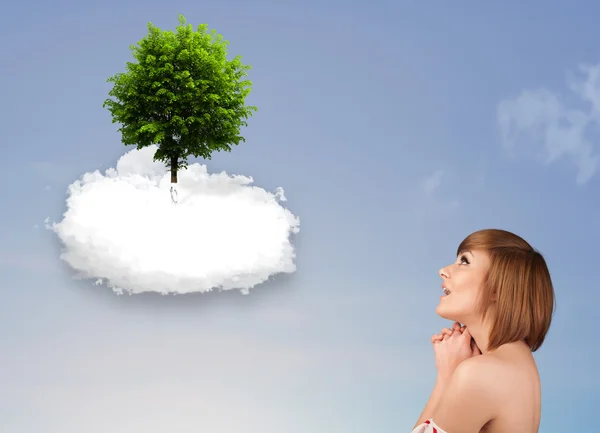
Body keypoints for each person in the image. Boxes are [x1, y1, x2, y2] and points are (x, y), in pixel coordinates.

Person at [412, 229, 555, 433]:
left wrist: (446, 378)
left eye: (464, 261)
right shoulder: (520, 365)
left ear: (498, 287)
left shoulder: (481, 374)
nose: (443, 270)